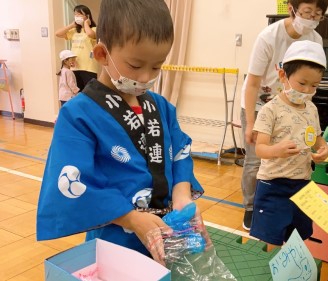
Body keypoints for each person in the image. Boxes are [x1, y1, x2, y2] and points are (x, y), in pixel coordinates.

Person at [37, 0, 205, 265]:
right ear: (103, 54)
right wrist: (130, 218)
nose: (147, 76)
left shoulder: (161, 107)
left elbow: (181, 153)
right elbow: (72, 180)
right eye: (136, 66)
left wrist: (182, 195)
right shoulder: (79, 114)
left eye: (157, 66)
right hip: (116, 236)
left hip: (167, 231)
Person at [240, 0, 328, 231]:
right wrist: (251, 123)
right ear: (292, 8)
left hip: (294, 102)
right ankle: (252, 207)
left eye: (317, 15)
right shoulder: (269, 37)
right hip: (262, 103)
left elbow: (310, 82)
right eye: (307, 12)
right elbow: (253, 83)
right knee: (254, 161)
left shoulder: (315, 40)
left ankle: (288, 207)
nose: (311, 20)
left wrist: (321, 145)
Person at [249, 40, 328, 248]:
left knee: (299, 236)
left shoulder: (311, 109)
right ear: (283, 76)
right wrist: (276, 150)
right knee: (272, 238)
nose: (307, 90)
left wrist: (324, 148)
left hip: (303, 183)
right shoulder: (271, 110)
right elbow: (260, 149)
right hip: (273, 185)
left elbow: (317, 139)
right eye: (302, 83)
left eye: (314, 85)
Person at [55, 4, 99, 90]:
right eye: (75, 14)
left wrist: (86, 23)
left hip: (89, 67)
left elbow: (90, 34)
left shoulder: (94, 29)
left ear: (87, 15)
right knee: (77, 92)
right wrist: (71, 25)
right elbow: (58, 33)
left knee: (90, 92)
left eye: (79, 14)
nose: (77, 16)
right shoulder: (74, 31)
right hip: (74, 66)